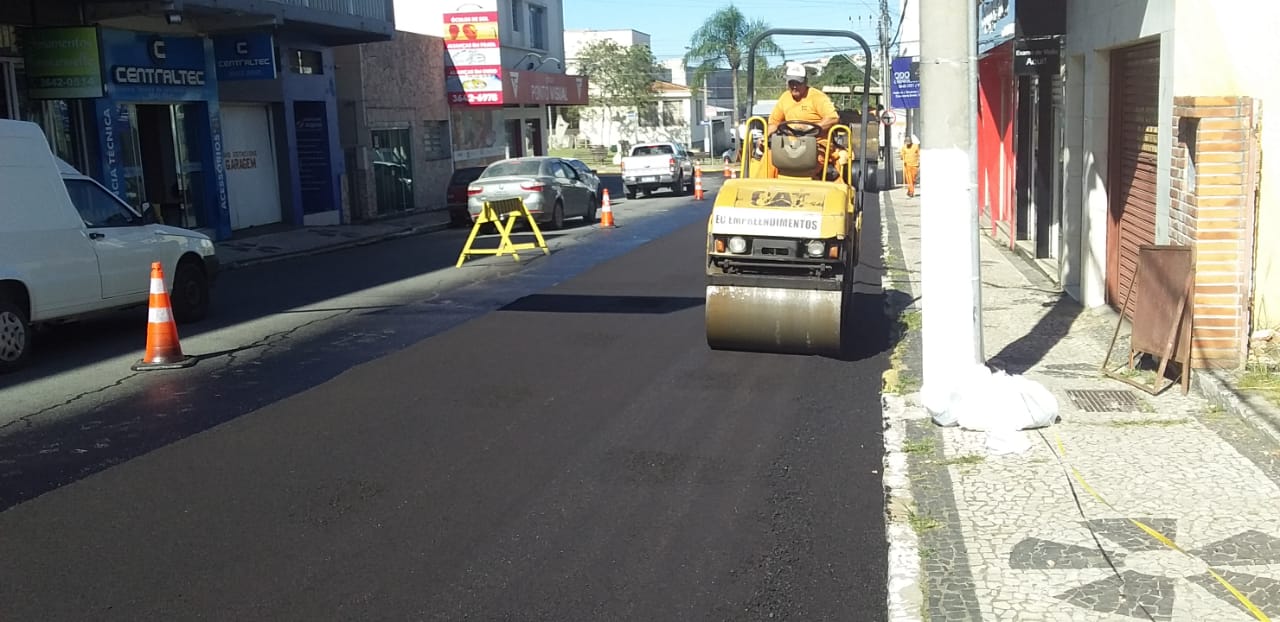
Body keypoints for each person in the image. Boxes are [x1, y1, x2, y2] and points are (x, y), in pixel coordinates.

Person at [765, 62, 840, 178]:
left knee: (811, 160)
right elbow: (774, 122)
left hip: (816, 144)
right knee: (769, 157)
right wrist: (764, 138)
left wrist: (810, 128)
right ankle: (763, 188)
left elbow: (833, 118)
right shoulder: (785, 98)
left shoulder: (817, 97)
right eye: (791, 82)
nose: (794, 86)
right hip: (789, 144)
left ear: (805, 82)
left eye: (798, 83)